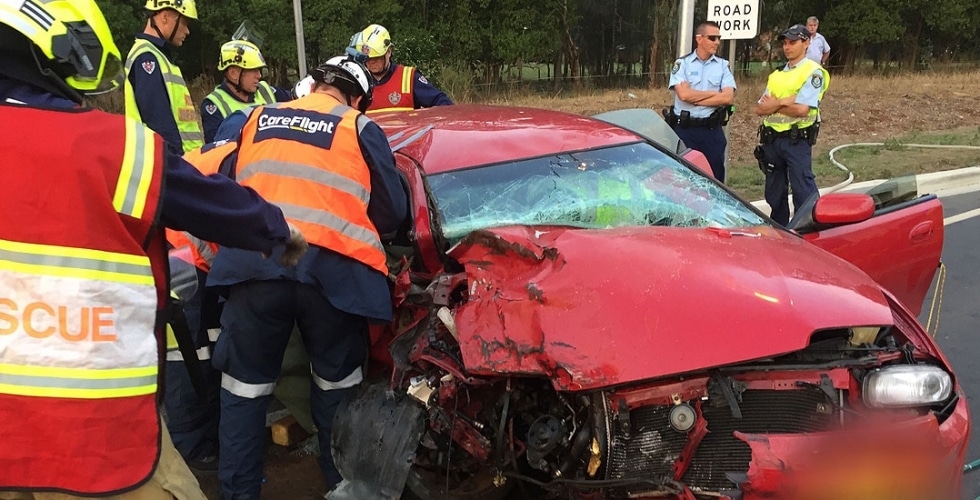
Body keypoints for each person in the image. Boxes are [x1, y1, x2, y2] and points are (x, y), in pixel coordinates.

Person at [0, 1, 308, 499]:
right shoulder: (107, 144)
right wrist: (279, 232)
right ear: (57, 56)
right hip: (94, 431)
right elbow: (211, 202)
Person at [206, 55, 409, 498]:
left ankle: (238, 493)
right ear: (357, 97)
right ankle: (341, 484)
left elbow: (221, 177)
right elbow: (393, 211)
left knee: (244, 390)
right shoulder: (357, 126)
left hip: (256, 266)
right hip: (330, 273)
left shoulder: (256, 115)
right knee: (337, 386)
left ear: (314, 84)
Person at [754, 24, 830, 226]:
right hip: (772, 141)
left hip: (797, 141)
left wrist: (776, 103)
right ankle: (779, 230)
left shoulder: (814, 72)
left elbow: (802, 110)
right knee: (774, 193)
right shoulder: (777, 74)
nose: (787, 47)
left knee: (803, 191)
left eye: (793, 42)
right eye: (785, 43)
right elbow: (760, 109)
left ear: (806, 43)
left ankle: (808, 229)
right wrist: (788, 100)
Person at [124, 0, 204, 154]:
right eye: (184, 23)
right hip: (170, 166)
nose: (187, 31)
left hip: (184, 164)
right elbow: (160, 125)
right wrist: (179, 169)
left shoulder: (159, 57)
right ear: (165, 16)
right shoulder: (147, 58)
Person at [666, 21, 736, 182]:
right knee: (683, 179)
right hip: (685, 130)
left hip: (711, 131)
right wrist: (713, 94)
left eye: (718, 38)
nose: (717, 42)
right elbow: (683, 96)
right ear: (699, 39)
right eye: (712, 38)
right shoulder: (681, 64)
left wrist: (694, 97)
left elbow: (727, 97)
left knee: (715, 179)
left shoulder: (723, 66)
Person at [200, 40, 292, 143]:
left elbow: (296, 98)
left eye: (259, 70)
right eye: (254, 70)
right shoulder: (214, 104)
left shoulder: (264, 91)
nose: (259, 76)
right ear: (233, 73)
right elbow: (216, 150)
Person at [348, 24, 453, 112]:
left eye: (377, 57)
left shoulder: (408, 78)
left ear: (389, 52)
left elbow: (442, 103)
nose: (371, 62)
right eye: (367, 58)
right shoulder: (358, 82)